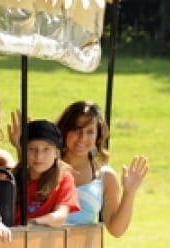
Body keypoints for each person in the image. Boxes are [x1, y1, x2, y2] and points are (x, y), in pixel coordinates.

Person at [56, 100, 150, 236]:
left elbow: (116, 230)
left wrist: (129, 192)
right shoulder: (46, 166)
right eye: (77, 130)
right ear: (65, 130)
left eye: (90, 132)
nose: (82, 138)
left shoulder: (105, 176)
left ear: (97, 136)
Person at [17, 119, 79, 226]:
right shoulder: (13, 177)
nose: (38, 156)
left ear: (56, 153)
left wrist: (32, 223)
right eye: (32, 149)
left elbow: (60, 215)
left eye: (46, 149)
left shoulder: (63, 179)